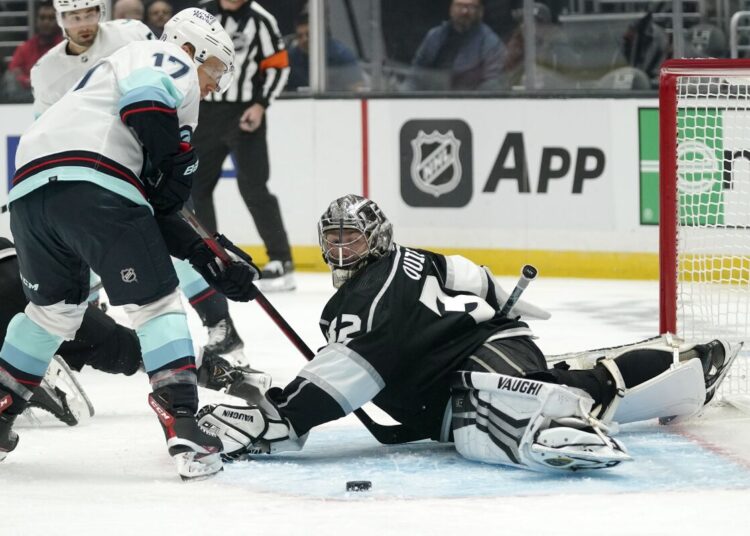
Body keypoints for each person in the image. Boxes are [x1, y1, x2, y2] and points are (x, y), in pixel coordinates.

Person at [198, 194, 741, 472]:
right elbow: (468, 272)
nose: (342, 251)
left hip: (479, 354)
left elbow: (356, 364)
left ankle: (566, 413)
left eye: (353, 240)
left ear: (378, 239)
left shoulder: (365, 296)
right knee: (521, 392)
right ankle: (677, 366)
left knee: (515, 401)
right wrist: (506, 303)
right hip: (476, 353)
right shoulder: (408, 261)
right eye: (334, 239)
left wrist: (288, 416)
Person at [0, 8, 258, 480]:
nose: (216, 85)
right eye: (216, 68)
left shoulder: (107, 81)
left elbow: (153, 207)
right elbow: (145, 109)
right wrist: (176, 161)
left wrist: (208, 254)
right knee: (157, 306)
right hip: (95, 182)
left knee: (52, 314)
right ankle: (183, 421)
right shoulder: (162, 56)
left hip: (30, 194)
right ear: (191, 50)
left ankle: (1, 408)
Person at [31, 0, 251, 367]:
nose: (83, 23)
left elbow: (167, 80)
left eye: (89, 13)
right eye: (73, 16)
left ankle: (220, 325)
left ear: (101, 12)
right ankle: (86, 322)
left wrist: (166, 158)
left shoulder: (131, 34)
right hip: (98, 164)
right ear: (60, 20)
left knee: (176, 244)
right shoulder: (46, 69)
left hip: (146, 154)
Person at [0, 236, 271, 427]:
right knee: (113, 341)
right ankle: (220, 373)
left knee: (111, 341)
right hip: (22, 273)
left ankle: (22, 375)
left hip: (19, 282)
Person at [192, 0, 295, 292]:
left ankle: (281, 261)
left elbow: (277, 66)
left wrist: (261, 105)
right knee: (197, 187)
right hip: (207, 111)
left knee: (254, 187)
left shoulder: (261, 20)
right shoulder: (202, 14)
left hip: (246, 112)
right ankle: (210, 257)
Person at [409, 0, 506, 91]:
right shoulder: (435, 36)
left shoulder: (491, 43)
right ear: (451, 9)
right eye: (459, 5)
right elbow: (416, 74)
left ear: (480, 12)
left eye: (471, 7)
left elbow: (493, 85)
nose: (464, 11)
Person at [286, 12, 364, 92]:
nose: (304, 39)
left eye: (308, 34)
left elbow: (357, 89)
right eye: (300, 36)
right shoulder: (290, 58)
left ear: (319, 34)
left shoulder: (341, 55)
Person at [6, 1, 62, 95]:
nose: (46, 22)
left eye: (51, 18)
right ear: (36, 21)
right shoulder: (25, 48)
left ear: (59, 21)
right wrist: (28, 81)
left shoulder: (66, 47)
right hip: (28, 97)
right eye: (42, 18)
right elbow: (14, 71)